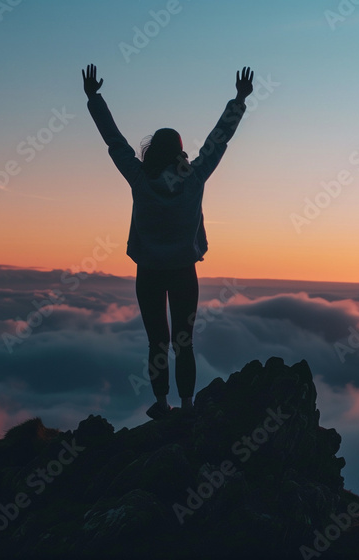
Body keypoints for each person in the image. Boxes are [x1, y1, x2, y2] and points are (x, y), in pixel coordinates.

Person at [82, 64, 254, 419]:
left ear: (151, 151)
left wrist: (94, 99)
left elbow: (115, 142)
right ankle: (188, 406)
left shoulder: (139, 178)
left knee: (157, 342)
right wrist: (238, 99)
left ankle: (162, 405)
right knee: (184, 342)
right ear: (179, 151)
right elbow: (218, 140)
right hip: (182, 273)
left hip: (148, 272)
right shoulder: (194, 178)